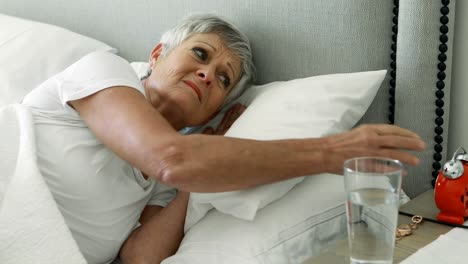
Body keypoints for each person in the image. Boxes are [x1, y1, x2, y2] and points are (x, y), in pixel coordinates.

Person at [21, 14, 425, 264]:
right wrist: (332, 152)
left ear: (214, 112)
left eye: (224, 79)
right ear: (158, 54)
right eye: (200, 54)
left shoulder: (165, 182)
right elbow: (170, 156)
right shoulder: (103, 70)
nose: (208, 74)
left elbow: (141, 257)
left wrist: (202, 163)